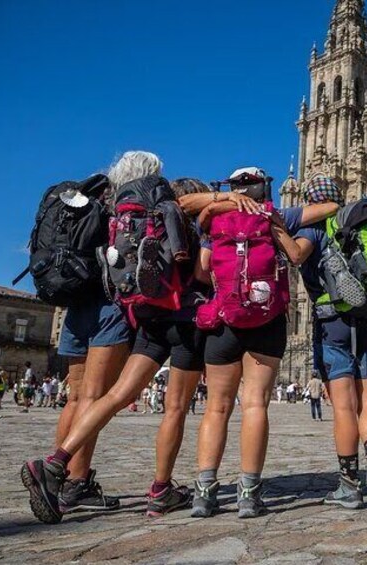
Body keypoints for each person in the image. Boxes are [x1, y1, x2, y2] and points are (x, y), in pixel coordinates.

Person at [21, 158, 225, 524]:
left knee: (101, 396)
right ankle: (158, 490)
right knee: (173, 408)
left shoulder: (110, 206)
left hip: (134, 316)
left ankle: (56, 463)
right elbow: (199, 272)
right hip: (168, 317)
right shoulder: (182, 214)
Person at [185, 167, 341, 519]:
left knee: (216, 408)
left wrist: (220, 205)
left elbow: (201, 270)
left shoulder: (214, 221)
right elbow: (331, 207)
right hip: (267, 321)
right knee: (255, 405)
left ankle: (204, 493)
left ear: (234, 188)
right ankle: (249, 494)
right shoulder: (276, 214)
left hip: (224, 320)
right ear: (263, 188)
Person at [291, 176, 367, 512]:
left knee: (344, 407)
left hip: (332, 324)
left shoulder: (314, 228)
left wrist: (277, 226)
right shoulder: (366, 223)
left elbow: (297, 255)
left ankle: (348, 485)